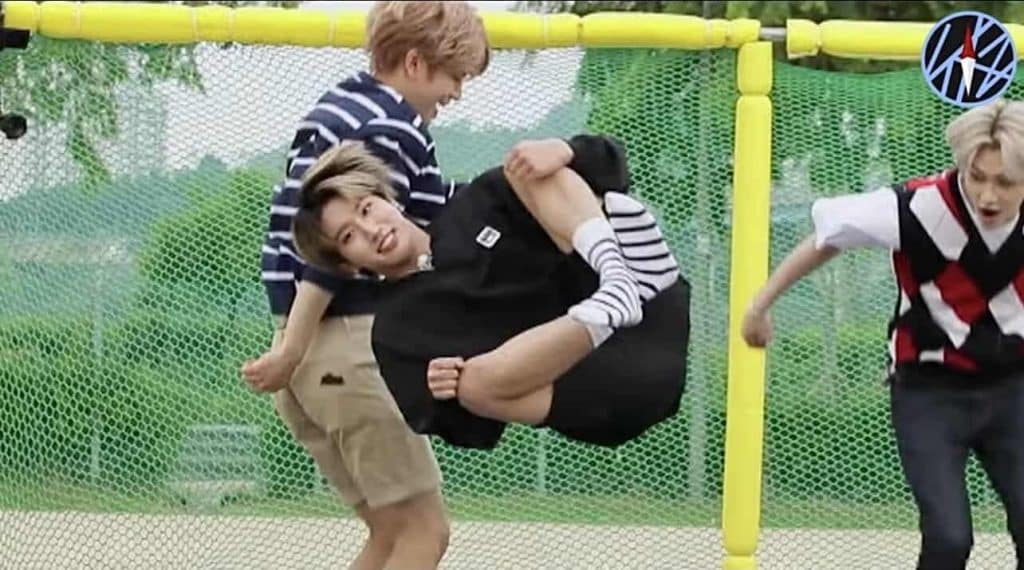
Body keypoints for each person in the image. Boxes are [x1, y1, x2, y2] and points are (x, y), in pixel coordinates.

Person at [240, 2, 489, 569]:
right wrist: (292, 350)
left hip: (313, 357)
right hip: (342, 344)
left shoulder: (344, 105)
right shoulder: (389, 127)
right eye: (455, 76)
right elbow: (335, 253)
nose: (456, 93)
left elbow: (432, 210)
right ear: (415, 63)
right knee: (424, 533)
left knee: (390, 532)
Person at [741, 99, 1024, 570]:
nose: (988, 196)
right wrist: (760, 305)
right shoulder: (918, 207)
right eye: (977, 177)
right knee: (949, 538)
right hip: (930, 391)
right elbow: (829, 237)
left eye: (1005, 183)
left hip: (1013, 389)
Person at [289, 133, 691, 451]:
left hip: (654, 314)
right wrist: (443, 392)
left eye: (366, 209)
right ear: (347, 264)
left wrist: (565, 149)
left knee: (524, 166)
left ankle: (618, 276)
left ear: (385, 198)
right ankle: (611, 302)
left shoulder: (479, 201)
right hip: (606, 391)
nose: (371, 230)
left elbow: (611, 166)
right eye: (348, 237)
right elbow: (469, 432)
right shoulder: (394, 331)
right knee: (472, 387)